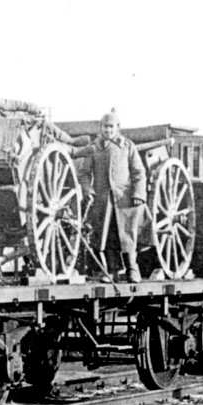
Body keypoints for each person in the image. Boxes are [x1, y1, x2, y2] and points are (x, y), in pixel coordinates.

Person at [70, 110, 146, 283]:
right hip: (104, 200)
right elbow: (84, 173)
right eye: (105, 127)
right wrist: (88, 190)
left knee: (128, 233)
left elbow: (139, 173)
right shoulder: (94, 148)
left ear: (118, 128)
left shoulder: (128, 146)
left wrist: (138, 194)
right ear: (101, 128)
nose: (108, 130)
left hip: (125, 199)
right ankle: (112, 271)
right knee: (108, 234)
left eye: (111, 127)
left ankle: (132, 270)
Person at [0, 76, 89, 146]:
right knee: (37, 140)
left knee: (43, 124)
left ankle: (70, 141)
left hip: (15, 122)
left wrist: (33, 108)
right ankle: (70, 150)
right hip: (0, 138)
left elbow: (9, 104)